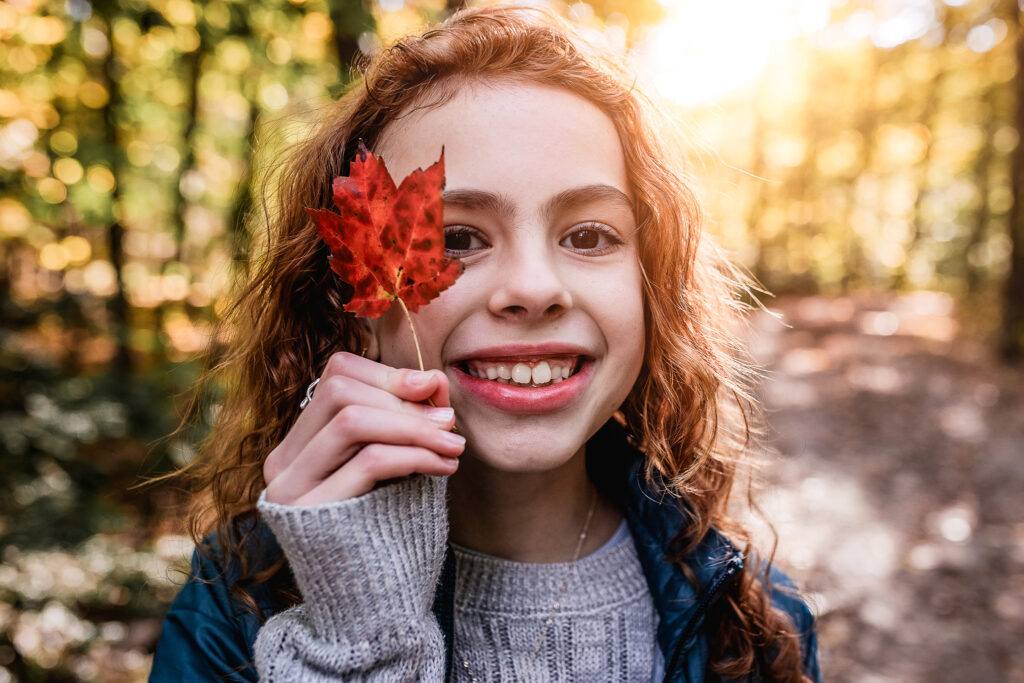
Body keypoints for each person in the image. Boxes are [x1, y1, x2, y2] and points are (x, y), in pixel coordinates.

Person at [150, 6, 821, 682]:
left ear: (653, 285)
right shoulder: (231, 612)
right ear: (347, 298)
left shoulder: (755, 620)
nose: (533, 288)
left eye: (588, 235)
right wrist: (355, 645)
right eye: (455, 239)